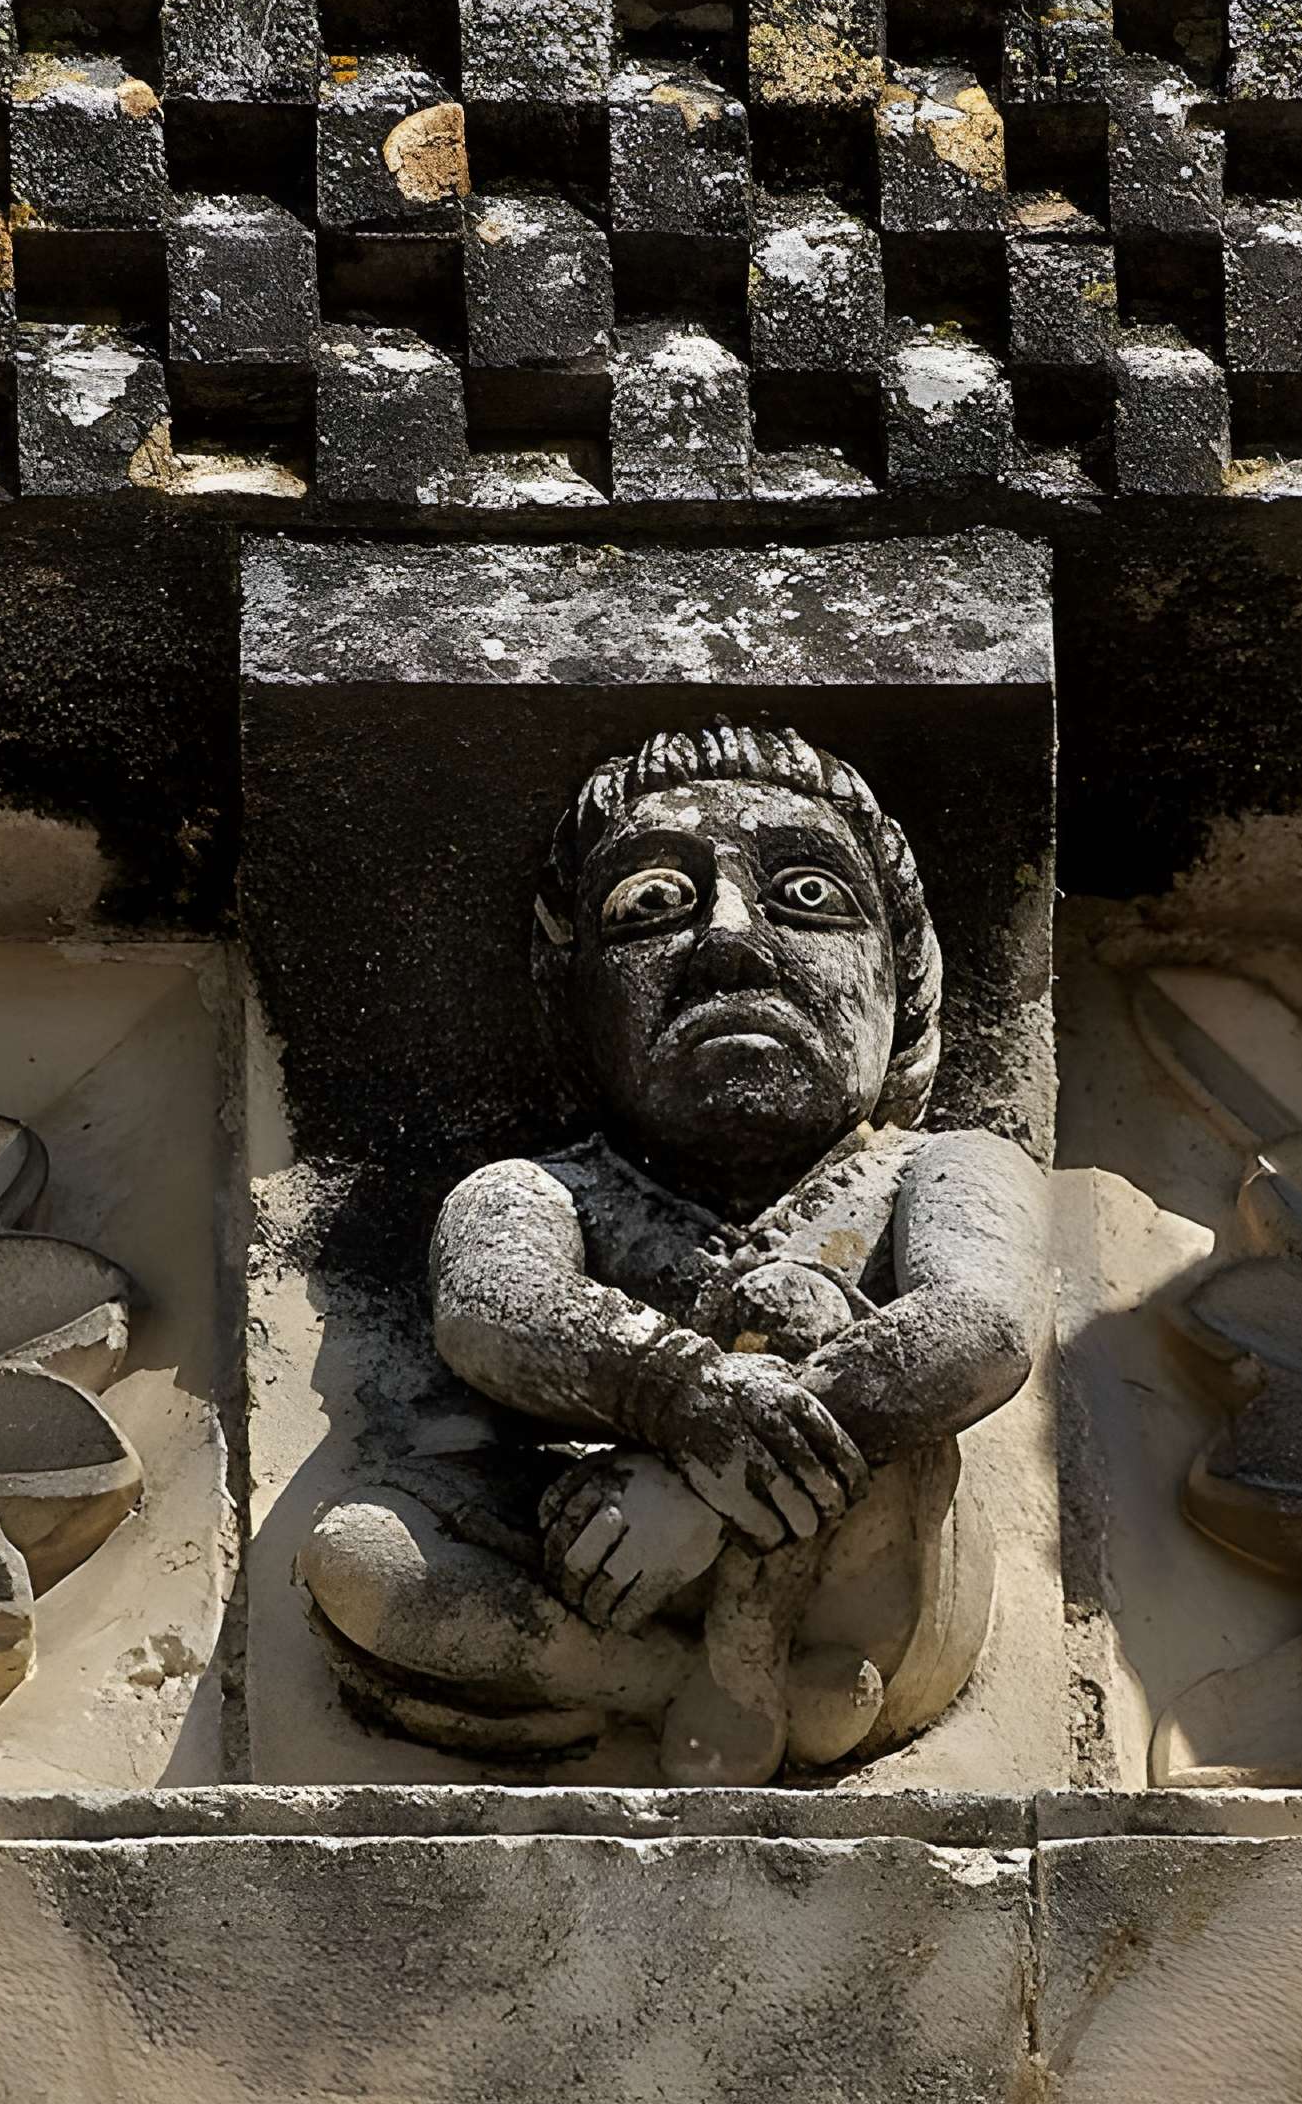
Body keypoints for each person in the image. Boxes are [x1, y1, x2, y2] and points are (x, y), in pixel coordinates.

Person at [302, 720, 1045, 1783]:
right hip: (610, 1567)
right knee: (362, 1549)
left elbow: (983, 1326)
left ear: (906, 979)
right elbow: (489, 1306)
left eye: (808, 896)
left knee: (798, 1307)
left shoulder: (940, 1167)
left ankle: (748, 1648)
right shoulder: (542, 1190)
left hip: (856, 1569)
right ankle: (667, 1687)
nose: (731, 941)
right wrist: (676, 1391)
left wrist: (693, 1486)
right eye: (651, 905)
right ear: (573, 1003)